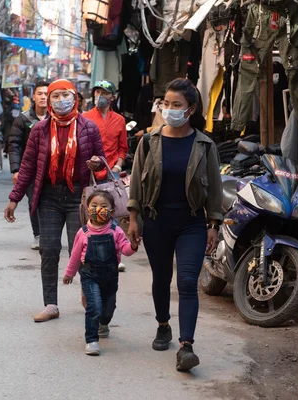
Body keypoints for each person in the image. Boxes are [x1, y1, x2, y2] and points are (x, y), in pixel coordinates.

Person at [127, 78, 223, 371]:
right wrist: (133, 218)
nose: (169, 109)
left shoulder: (205, 145)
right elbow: (136, 183)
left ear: (190, 109)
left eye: (176, 105)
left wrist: (213, 224)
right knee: (160, 278)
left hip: (191, 223)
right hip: (157, 221)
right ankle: (163, 324)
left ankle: (186, 346)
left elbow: (215, 188)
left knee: (186, 283)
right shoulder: (149, 141)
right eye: (165, 104)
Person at [4, 79, 105, 323]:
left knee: (80, 249)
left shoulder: (88, 128)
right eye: (55, 96)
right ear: (48, 101)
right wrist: (14, 199)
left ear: (75, 98)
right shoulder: (39, 129)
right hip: (48, 198)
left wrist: (97, 163)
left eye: (65, 95)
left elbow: (102, 161)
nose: (61, 100)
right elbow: (28, 165)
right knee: (48, 251)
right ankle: (51, 304)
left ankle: (87, 291)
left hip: (78, 197)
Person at [63, 190, 137, 355]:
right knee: (94, 306)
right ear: (87, 209)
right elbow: (75, 255)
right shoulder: (83, 233)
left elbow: (124, 249)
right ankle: (91, 339)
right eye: (94, 205)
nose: (98, 209)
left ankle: (104, 323)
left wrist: (132, 246)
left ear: (112, 211)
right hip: (89, 275)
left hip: (111, 276)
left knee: (108, 308)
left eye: (104, 206)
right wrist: (69, 274)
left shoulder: (115, 230)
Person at [83, 79, 129, 272]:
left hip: (111, 174)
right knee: (90, 213)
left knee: (113, 213)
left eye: (104, 92)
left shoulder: (119, 120)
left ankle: (114, 253)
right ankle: (88, 250)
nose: (100, 96)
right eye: (97, 92)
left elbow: (122, 148)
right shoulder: (85, 117)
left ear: (112, 97)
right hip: (90, 173)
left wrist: (118, 166)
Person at [8, 81, 49, 250]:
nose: (43, 97)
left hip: (50, 169)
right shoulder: (23, 119)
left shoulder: (55, 119)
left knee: (50, 202)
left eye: (47, 94)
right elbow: (14, 145)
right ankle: (38, 235)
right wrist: (16, 169)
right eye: (40, 94)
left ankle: (49, 234)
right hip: (30, 170)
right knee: (34, 201)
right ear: (33, 96)